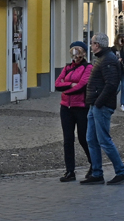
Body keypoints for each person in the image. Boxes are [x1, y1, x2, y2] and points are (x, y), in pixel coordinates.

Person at [82, 33, 124, 185]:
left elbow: (111, 84)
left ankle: (121, 172)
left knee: (104, 140)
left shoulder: (108, 59)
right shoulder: (103, 58)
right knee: (91, 139)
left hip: (100, 105)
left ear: (98, 45)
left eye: (92, 43)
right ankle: (97, 173)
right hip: (94, 104)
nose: (91, 46)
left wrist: (98, 103)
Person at [54, 41, 93, 182]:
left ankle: (93, 164)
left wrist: (66, 88)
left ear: (83, 53)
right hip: (66, 108)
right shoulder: (67, 67)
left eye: (78, 52)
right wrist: (70, 84)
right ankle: (70, 171)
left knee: (83, 138)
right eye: (73, 52)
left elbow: (82, 85)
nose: (76, 55)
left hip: (81, 107)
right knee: (68, 140)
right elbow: (57, 84)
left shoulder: (88, 67)